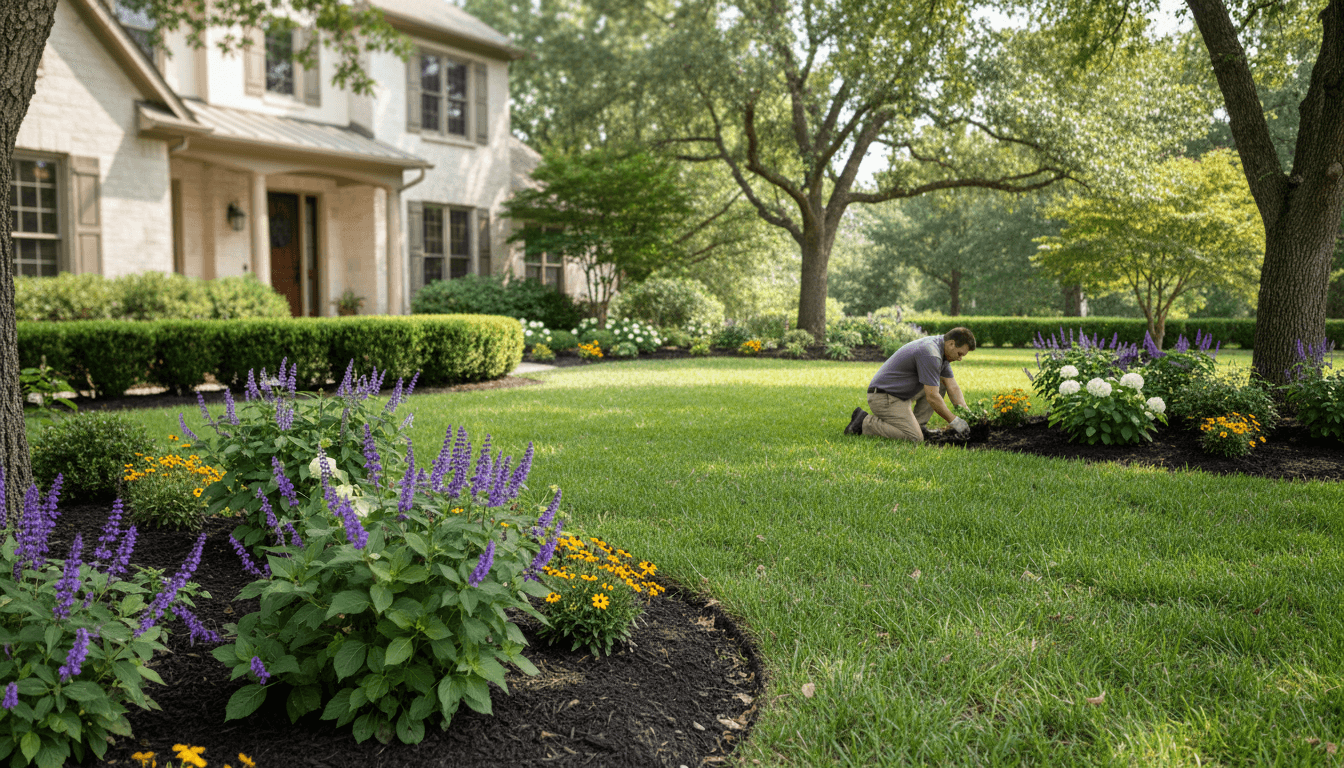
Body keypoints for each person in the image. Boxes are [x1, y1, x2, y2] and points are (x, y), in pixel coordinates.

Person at [845, 327, 976, 442]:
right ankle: (864, 422)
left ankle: (919, 426)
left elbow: (952, 386)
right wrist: (955, 421)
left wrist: (968, 416)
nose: (960, 359)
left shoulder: (942, 351)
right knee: (914, 437)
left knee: (941, 383)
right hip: (884, 397)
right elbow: (932, 397)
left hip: (899, 394)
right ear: (951, 343)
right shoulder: (931, 354)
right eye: (959, 354)